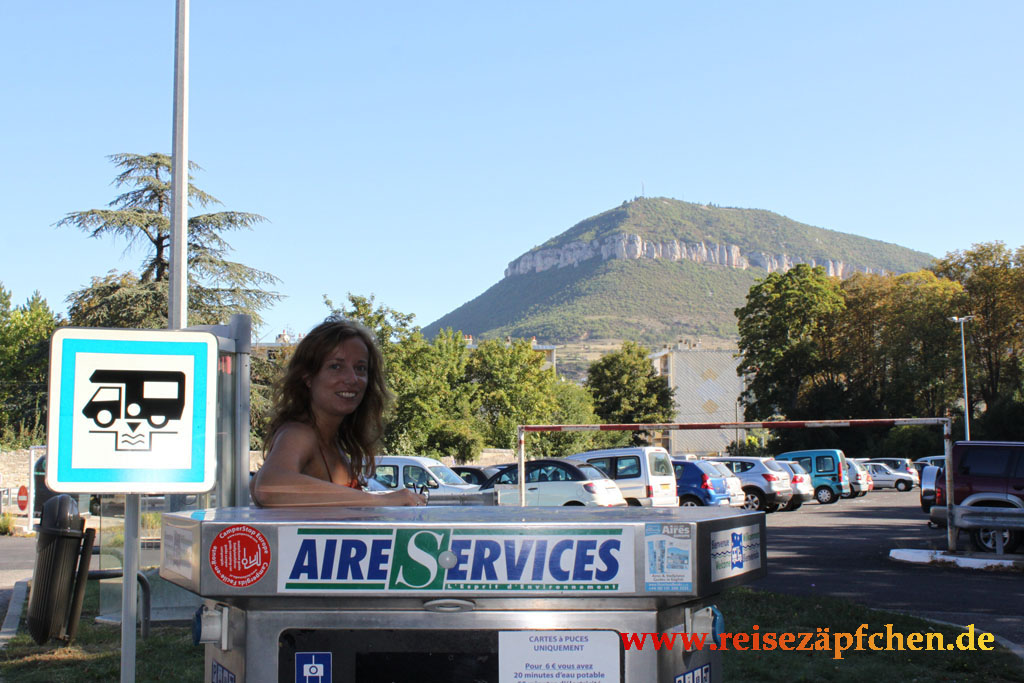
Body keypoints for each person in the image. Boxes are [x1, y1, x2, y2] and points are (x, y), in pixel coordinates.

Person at [250, 317, 425, 507]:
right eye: (336, 366)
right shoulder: (299, 434)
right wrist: (379, 501)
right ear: (308, 377)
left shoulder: (331, 441)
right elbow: (268, 488)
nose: (352, 378)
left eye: (360, 368)